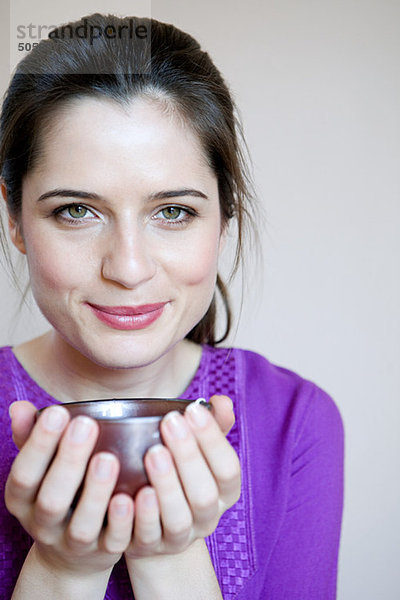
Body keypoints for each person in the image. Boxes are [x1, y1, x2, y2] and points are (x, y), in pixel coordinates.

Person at [0, 12, 344, 600]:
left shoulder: (295, 422)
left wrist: (170, 556)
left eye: (173, 212)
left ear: (225, 218)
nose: (129, 268)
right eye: (76, 211)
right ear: (15, 219)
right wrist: (63, 569)